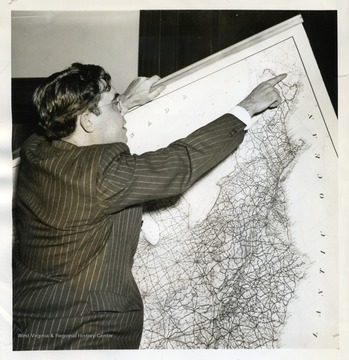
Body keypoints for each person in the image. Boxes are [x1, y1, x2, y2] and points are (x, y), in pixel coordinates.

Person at [13, 62, 286, 350]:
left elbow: (79, 132)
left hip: (33, 324)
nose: (121, 113)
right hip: (83, 333)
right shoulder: (102, 175)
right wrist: (248, 106)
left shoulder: (36, 150)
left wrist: (125, 103)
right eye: (114, 105)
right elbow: (182, 163)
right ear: (88, 121)